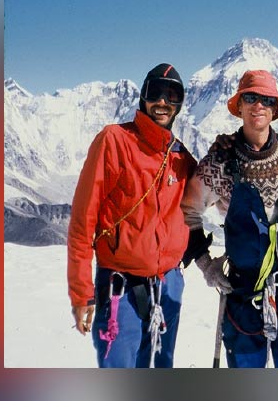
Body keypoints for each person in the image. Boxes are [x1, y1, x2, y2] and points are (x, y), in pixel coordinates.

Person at [183, 69, 278, 368]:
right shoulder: (220, 162)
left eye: (266, 99)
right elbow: (187, 211)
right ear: (239, 106)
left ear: (275, 109)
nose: (258, 105)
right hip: (241, 292)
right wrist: (205, 263)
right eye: (250, 98)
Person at [66, 63, 199, 368]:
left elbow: (200, 209)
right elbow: (82, 220)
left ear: (179, 104)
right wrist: (81, 293)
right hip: (119, 287)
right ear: (143, 97)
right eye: (156, 93)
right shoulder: (113, 141)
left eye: (172, 95)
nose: (163, 102)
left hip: (168, 285)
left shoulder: (181, 158)